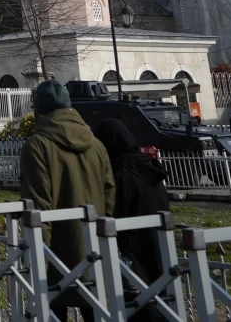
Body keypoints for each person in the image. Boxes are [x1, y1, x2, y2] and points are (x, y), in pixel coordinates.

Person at [20, 80, 114, 321]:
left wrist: (39, 257)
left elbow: (38, 205)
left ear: (38, 111)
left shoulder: (37, 145)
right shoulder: (97, 145)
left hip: (57, 256)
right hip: (95, 251)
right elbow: (109, 193)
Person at [93, 118, 170, 319]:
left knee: (139, 307)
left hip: (132, 252)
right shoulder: (150, 168)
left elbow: (113, 216)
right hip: (159, 244)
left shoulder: (121, 176)